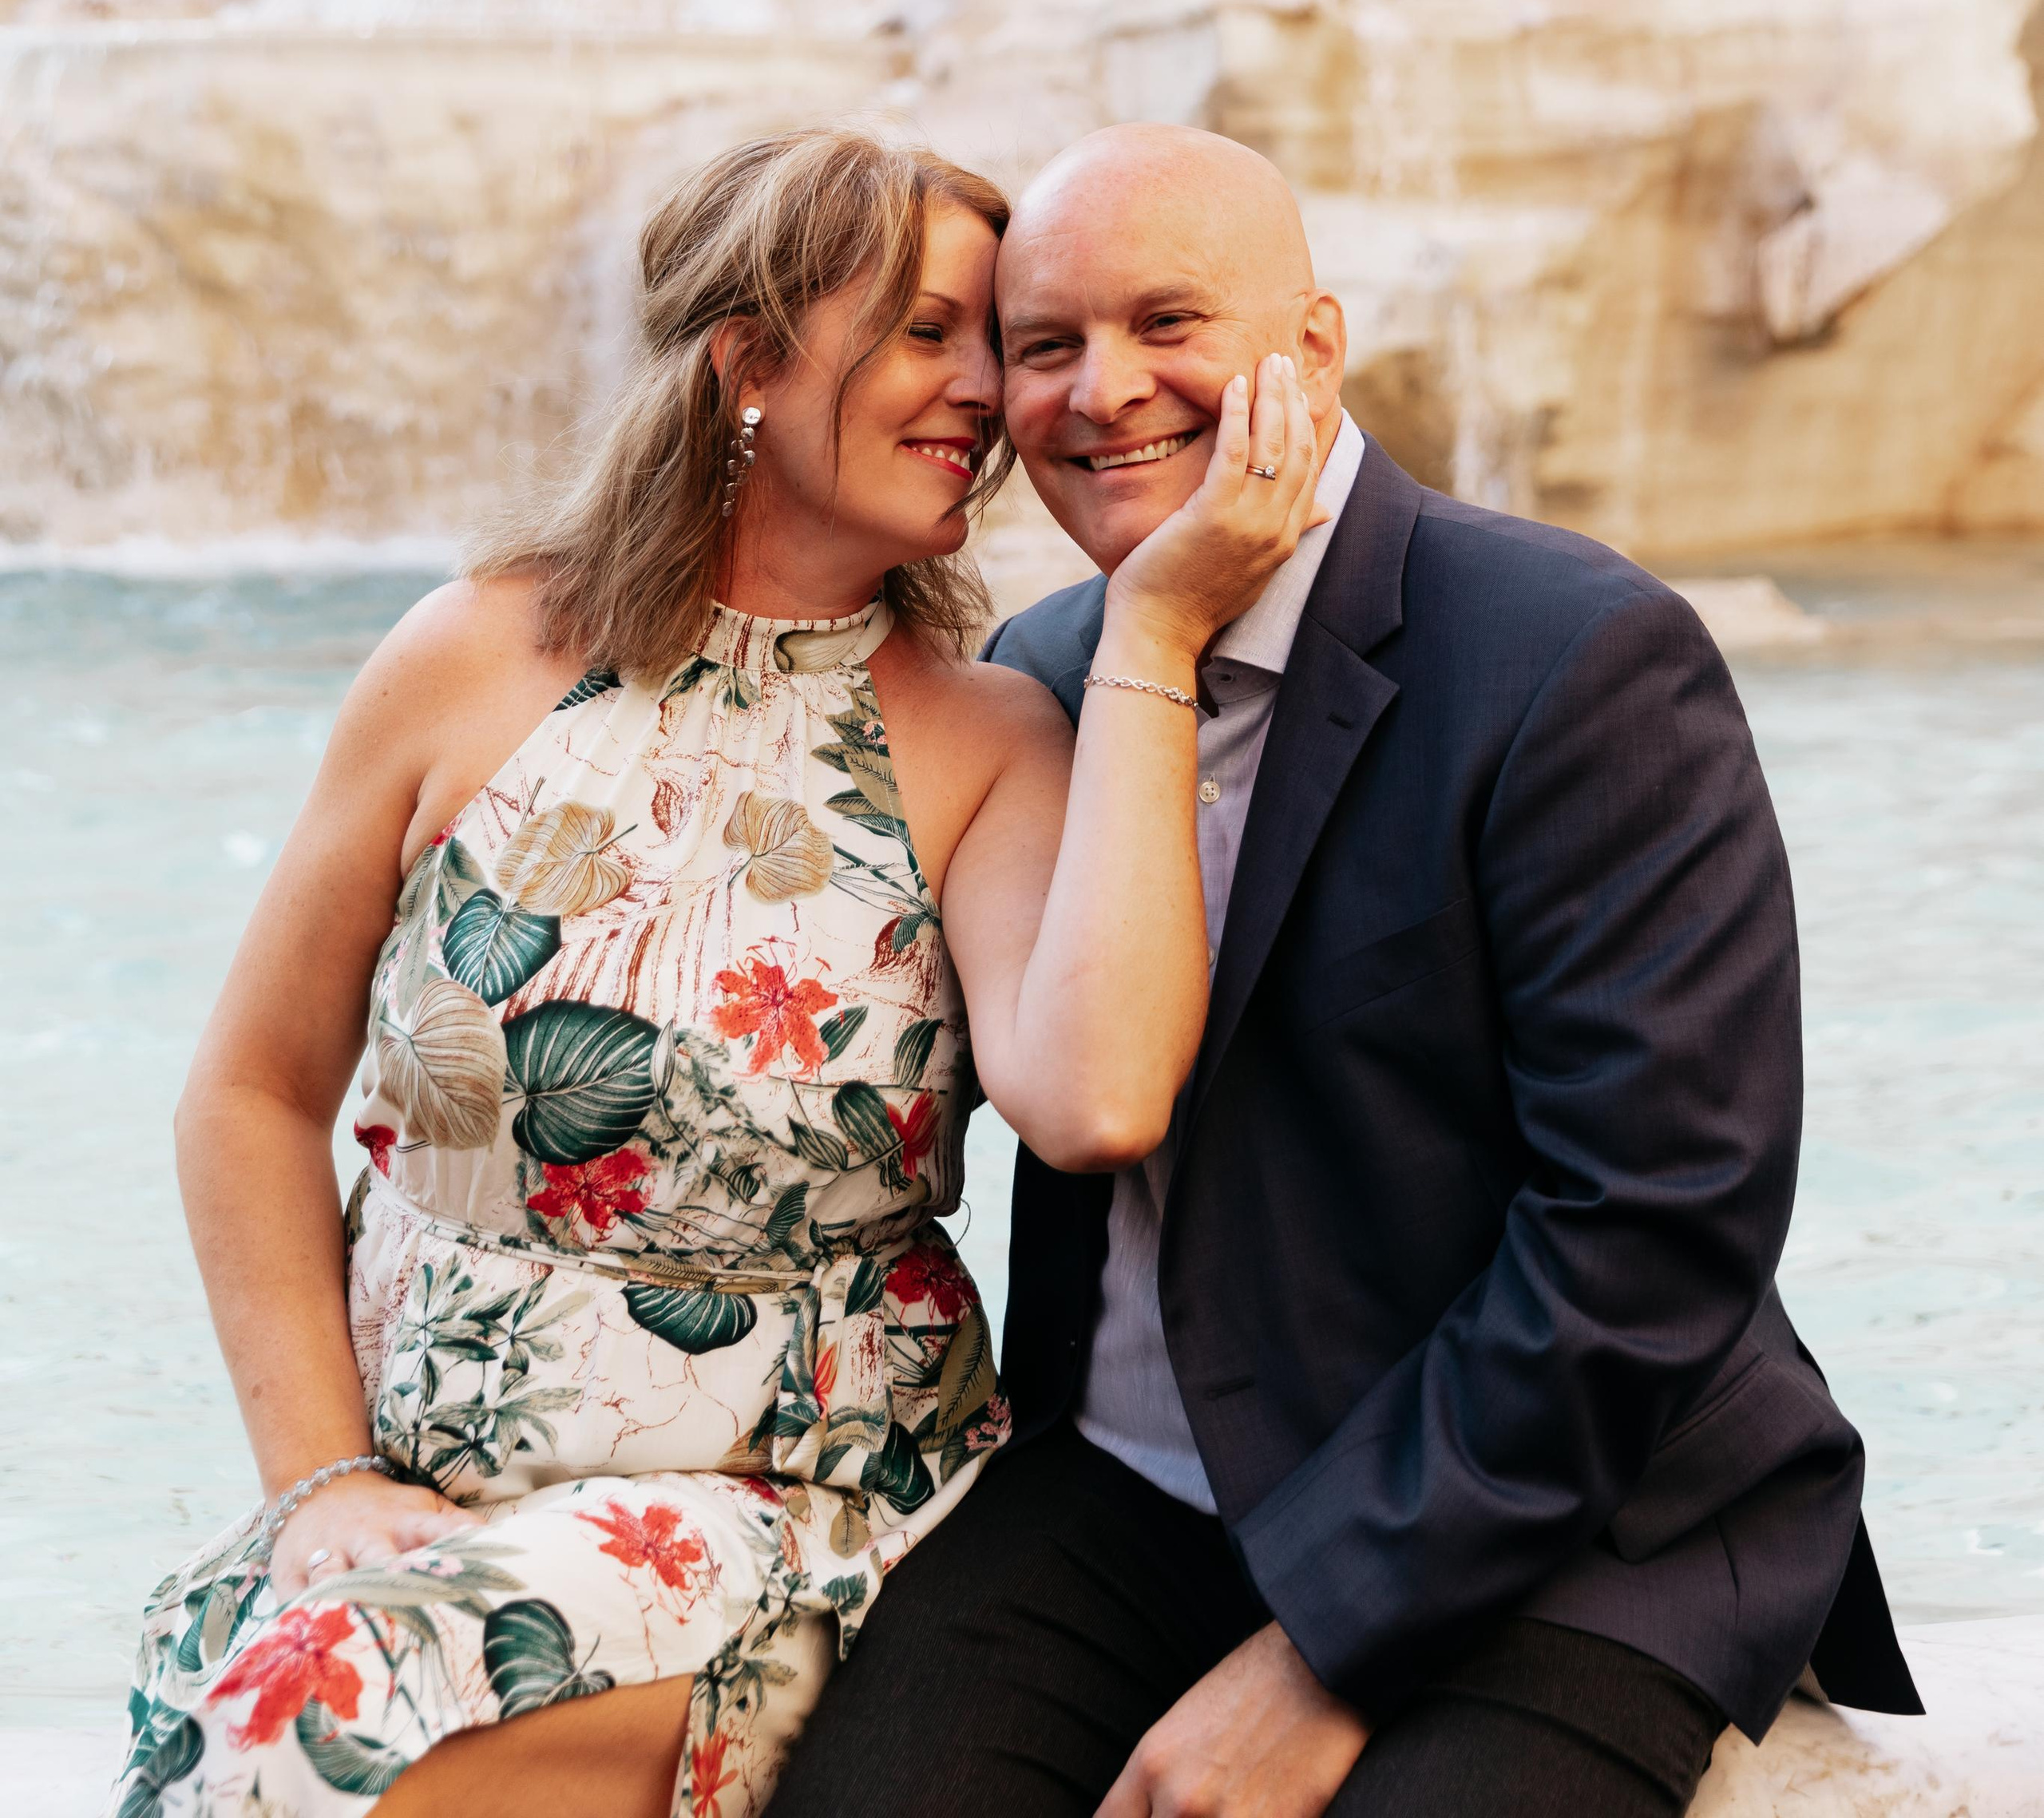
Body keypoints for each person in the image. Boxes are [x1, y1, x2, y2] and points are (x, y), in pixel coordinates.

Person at [111, 127, 1324, 1818]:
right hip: (409, 1502)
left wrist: (1157, 632)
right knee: (249, 1691)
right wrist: (315, 1478)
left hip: (789, 1508)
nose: (985, 391)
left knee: (314, 1729)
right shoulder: (471, 654)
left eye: (993, 341)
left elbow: (1098, 1098)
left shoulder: (991, 739)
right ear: (747, 359)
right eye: (926, 332)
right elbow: (250, 1092)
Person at [770, 123, 1920, 1818]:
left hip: (1562, 1523)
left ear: (1311, 348)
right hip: (1129, 1493)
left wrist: (1327, 1642)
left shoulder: (1575, 656)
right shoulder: (1045, 671)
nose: (1103, 392)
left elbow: (1653, 1221)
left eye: (1169, 324)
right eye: (1043, 345)